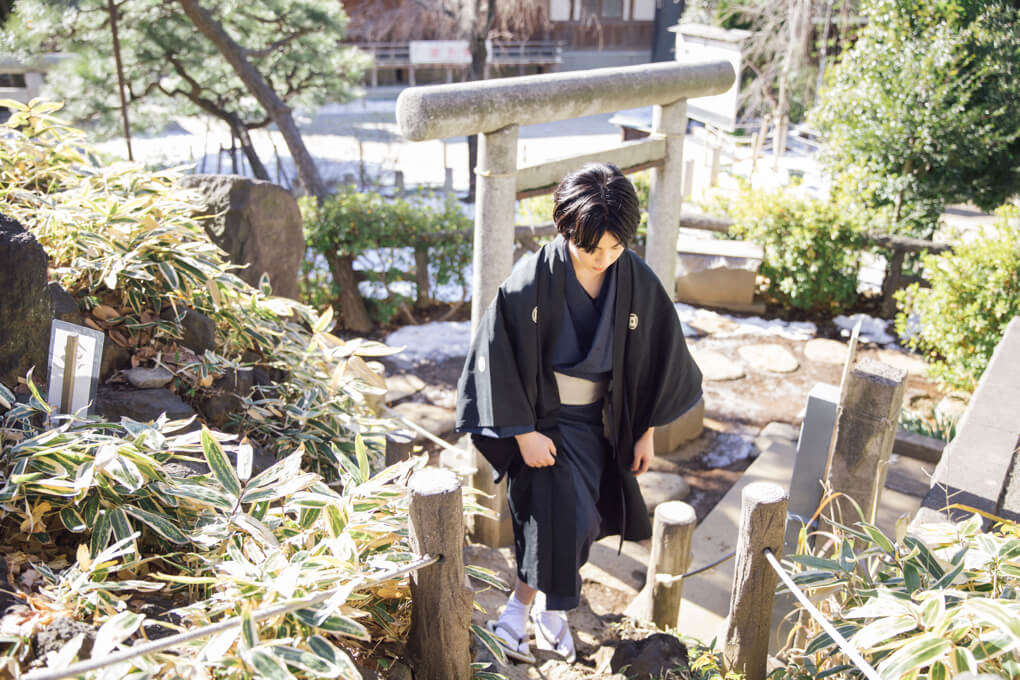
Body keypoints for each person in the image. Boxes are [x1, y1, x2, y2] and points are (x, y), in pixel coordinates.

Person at [456, 162, 702, 664]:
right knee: (552, 517)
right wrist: (521, 432)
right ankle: (524, 613)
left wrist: (646, 430)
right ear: (564, 228)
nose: (604, 259)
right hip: (541, 421)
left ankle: (545, 611)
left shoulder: (634, 278)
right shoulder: (530, 283)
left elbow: (659, 354)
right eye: (591, 249)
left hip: (598, 423)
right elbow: (494, 353)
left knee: (583, 520)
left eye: (616, 247)